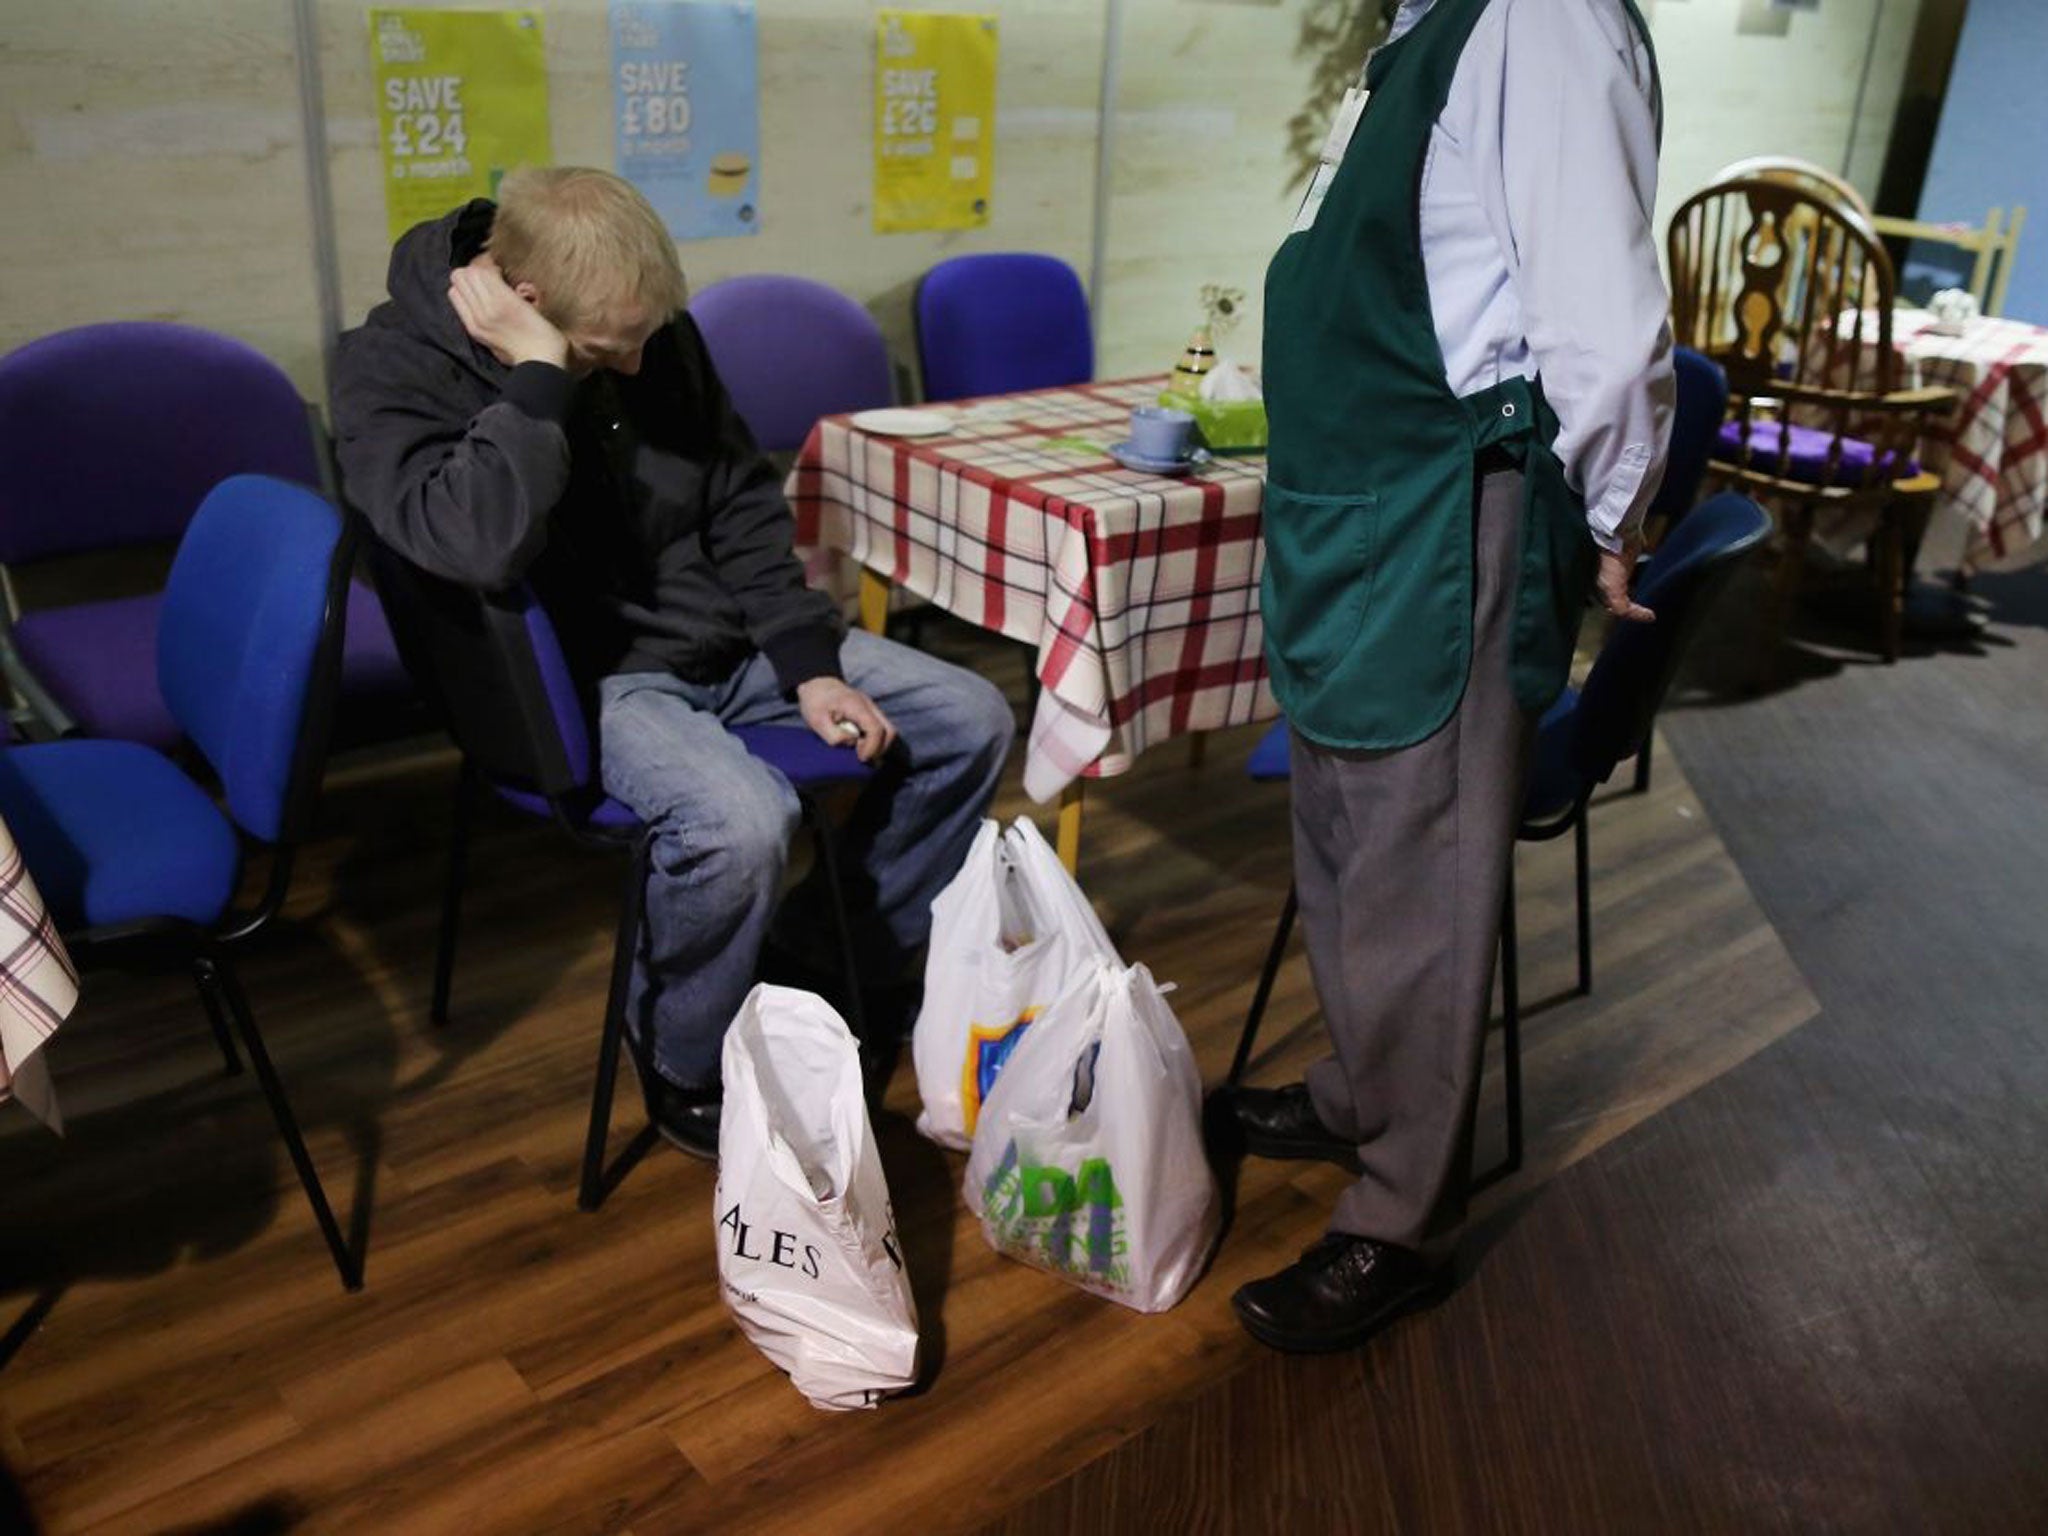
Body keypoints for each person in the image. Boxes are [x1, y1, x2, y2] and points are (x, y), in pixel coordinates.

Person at [332, 167, 1014, 1158]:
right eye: (619, 343)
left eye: (656, 330)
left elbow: (736, 501)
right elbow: (474, 543)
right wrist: (538, 381)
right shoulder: (391, 367)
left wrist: (808, 663)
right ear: (526, 304)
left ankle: (827, 957)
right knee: (743, 822)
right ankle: (677, 1048)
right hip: (577, 677)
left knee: (969, 718)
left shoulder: (648, 336)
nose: (646, 356)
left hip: (722, 638)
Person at [1233, 0, 1673, 1351]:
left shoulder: (1541, 20)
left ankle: (1396, 1223)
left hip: (1438, 514)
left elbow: (1601, 318)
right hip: (1351, 513)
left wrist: (1615, 513)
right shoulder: (1419, 26)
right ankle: (1360, 1091)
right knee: (1344, 841)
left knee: (1421, 878)